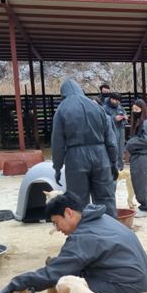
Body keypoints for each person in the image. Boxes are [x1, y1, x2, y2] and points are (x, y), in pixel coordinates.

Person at [0, 193, 147, 293]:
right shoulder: (100, 217)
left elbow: (52, 274)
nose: (57, 229)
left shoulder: (82, 237)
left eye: (56, 222)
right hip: (141, 279)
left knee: (67, 288)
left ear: (68, 213)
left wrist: (16, 284)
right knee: (68, 269)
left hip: (128, 288)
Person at [51, 79, 117, 218]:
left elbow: (57, 142)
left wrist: (57, 166)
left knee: (77, 201)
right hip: (101, 156)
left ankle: (83, 235)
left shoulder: (62, 109)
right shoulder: (97, 107)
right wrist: (113, 162)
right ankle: (111, 232)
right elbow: (111, 140)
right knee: (106, 199)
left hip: (75, 158)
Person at [125, 99, 147, 217]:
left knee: (141, 182)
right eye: (133, 110)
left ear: (142, 110)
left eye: (137, 110)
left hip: (143, 157)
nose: (135, 112)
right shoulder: (139, 122)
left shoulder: (146, 123)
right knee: (139, 182)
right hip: (137, 156)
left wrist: (131, 142)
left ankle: (146, 207)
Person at [101, 90, 128, 170]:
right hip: (111, 132)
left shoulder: (120, 107)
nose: (116, 102)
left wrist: (124, 118)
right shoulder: (104, 108)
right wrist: (114, 119)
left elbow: (125, 118)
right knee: (113, 150)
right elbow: (103, 121)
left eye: (118, 101)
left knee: (121, 151)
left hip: (121, 131)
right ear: (111, 99)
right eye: (115, 100)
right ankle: (113, 169)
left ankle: (121, 168)